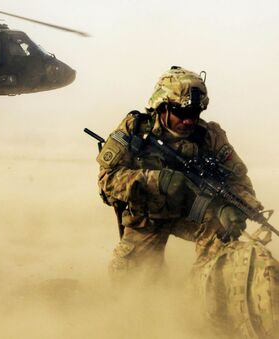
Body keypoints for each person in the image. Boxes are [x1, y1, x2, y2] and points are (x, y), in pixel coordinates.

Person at [96, 66, 265, 283]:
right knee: (132, 286)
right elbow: (106, 181)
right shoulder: (136, 128)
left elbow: (238, 180)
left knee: (220, 230)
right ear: (162, 107)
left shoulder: (210, 136)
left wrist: (240, 206)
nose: (188, 121)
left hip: (190, 211)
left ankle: (202, 291)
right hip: (146, 216)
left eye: (194, 114)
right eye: (181, 113)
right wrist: (156, 181)